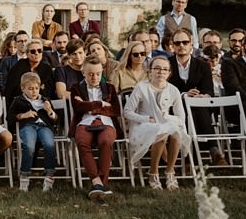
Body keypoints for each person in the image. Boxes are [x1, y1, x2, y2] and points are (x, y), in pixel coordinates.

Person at [123, 56, 190, 190]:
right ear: (150, 71)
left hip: (164, 122)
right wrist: (146, 119)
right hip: (143, 125)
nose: (161, 72)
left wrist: (167, 117)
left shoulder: (173, 90)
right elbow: (127, 112)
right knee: (162, 133)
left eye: (165, 69)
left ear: (169, 72)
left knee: (175, 131)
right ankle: (153, 172)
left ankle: (170, 171)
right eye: (157, 68)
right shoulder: (141, 87)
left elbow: (181, 117)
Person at [165, 29, 223, 165]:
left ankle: (191, 155)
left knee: (197, 107)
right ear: (172, 45)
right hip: (173, 106)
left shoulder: (203, 65)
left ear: (191, 44)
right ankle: (212, 149)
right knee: (189, 108)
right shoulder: (166, 64)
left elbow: (208, 90)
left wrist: (203, 96)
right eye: (177, 43)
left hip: (199, 105)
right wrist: (184, 95)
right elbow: (164, 89)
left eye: (185, 42)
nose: (181, 45)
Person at [71, 58, 120, 200]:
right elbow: (77, 107)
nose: (95, 77)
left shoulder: (109, 88)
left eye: (98, 74)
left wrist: (89, 106)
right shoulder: (76, 88)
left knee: (106, 141)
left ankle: (100, 185)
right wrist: (101, 104)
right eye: (91, 74)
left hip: (106, 122)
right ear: (83, 73)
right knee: (82, 141)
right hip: (84, 121)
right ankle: (97, 181)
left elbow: (115, 110)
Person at [7, 72, 58, 191]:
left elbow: (56, 120)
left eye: (36, 88)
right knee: (29, 146)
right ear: (23, 88)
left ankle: (49, 175)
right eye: (30, 89)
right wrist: (23, 115)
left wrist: (50, 111)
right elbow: (9, 117)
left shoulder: (45, 100)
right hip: (28, 126)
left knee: (49, 145)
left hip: (44, 127)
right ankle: (24, 175)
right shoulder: (18, 100)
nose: (34, 91)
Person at [3, 39, 55, 103]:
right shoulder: (19, 66)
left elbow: (49, 92)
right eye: (33, 51)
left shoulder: (47, 68)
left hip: (41, 104)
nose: (36, 53)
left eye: (39, 51)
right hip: (21, 104)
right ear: (27, 54)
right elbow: (12, 89)